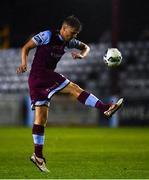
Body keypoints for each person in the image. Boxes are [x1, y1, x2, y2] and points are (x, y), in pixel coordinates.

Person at [16, 15, 123, 172]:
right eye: (72, 33)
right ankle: (105, 107)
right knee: (74, 88)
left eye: (75, 34)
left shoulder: (69, 41)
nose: (73, 36)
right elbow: (26, 47)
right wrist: (24, 63)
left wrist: (81, 55)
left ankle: (37, 156)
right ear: (64, 28)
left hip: (37, 81)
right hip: (40, 75)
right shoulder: (47, 35)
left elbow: (86, 47)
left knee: (41, 119)